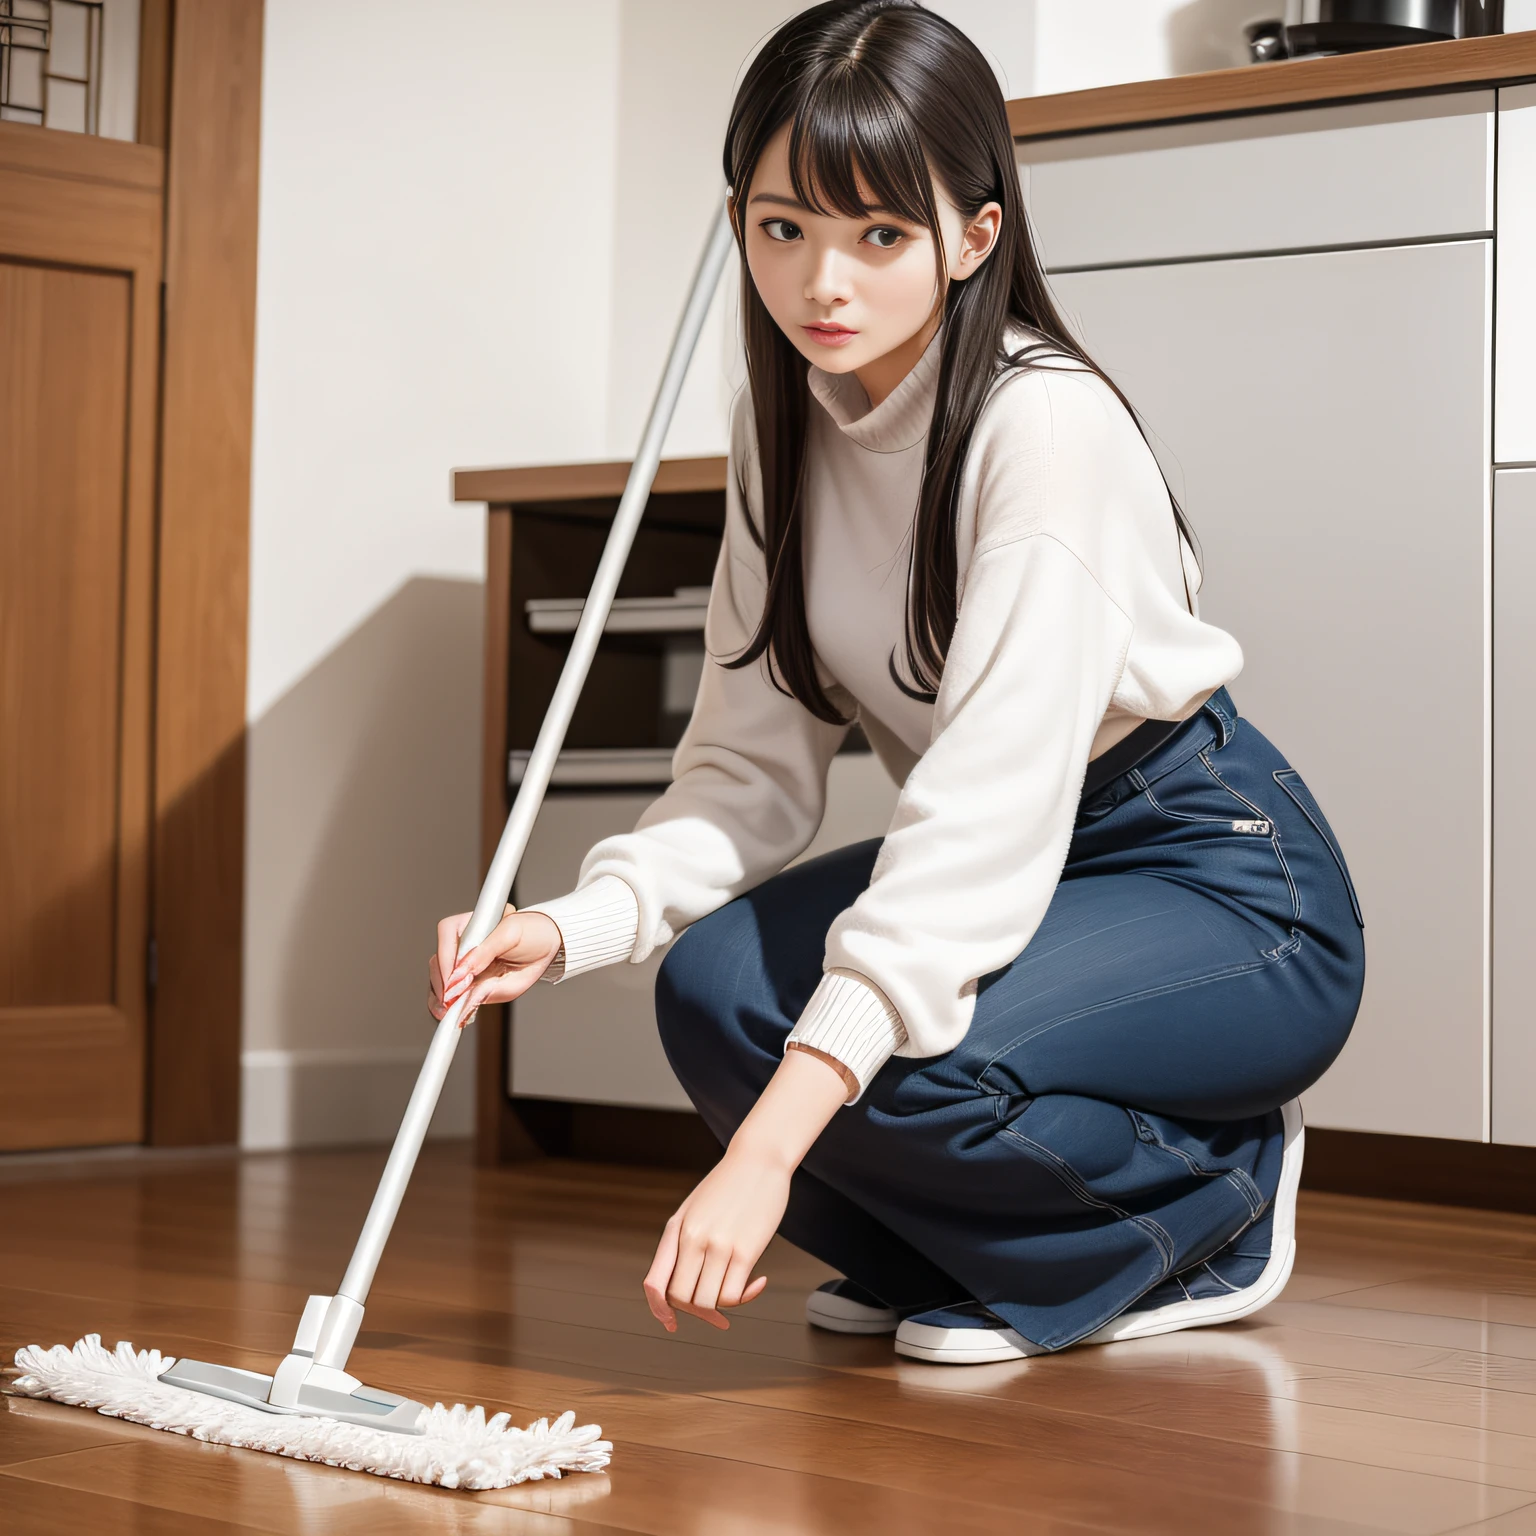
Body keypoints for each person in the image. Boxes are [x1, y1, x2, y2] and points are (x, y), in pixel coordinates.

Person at [430, 0, 1366, 1364]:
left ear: (974, 235)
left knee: (892, 1047)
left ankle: (1201, 1208)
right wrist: (573, 926)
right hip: (1020, 865)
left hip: (1210, 874)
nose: (824, 284)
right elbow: (748, 772)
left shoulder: (1043, 425)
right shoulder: (785, 420)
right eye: (782, 227)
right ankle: (961, 1251)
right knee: (708, 991)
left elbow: (980, 828)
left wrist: (761, 1158)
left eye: (880, 234)